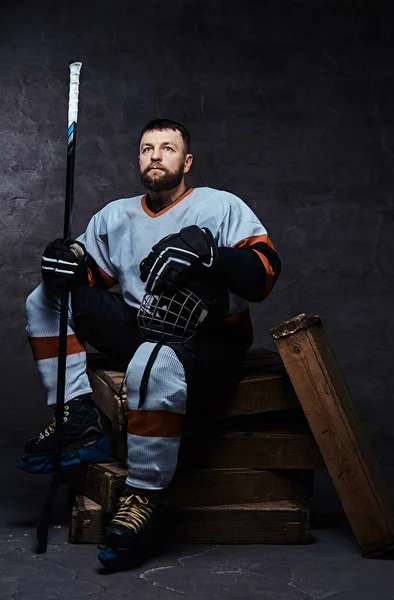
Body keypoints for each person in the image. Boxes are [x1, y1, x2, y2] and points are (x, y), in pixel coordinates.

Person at [19, 118, 281, 570]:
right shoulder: (115, 214)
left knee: (155, 360)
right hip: (143, 327)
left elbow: (264, 273)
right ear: (138, 158)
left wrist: (211, 254)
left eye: (167, 148)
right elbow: (88, 274)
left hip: (209, 342)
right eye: (146, 148)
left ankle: (144, 497)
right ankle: (78, 416)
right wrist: (67, 259)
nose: (156, 155)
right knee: (44, 299)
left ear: (187, 160)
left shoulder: (220, 206)